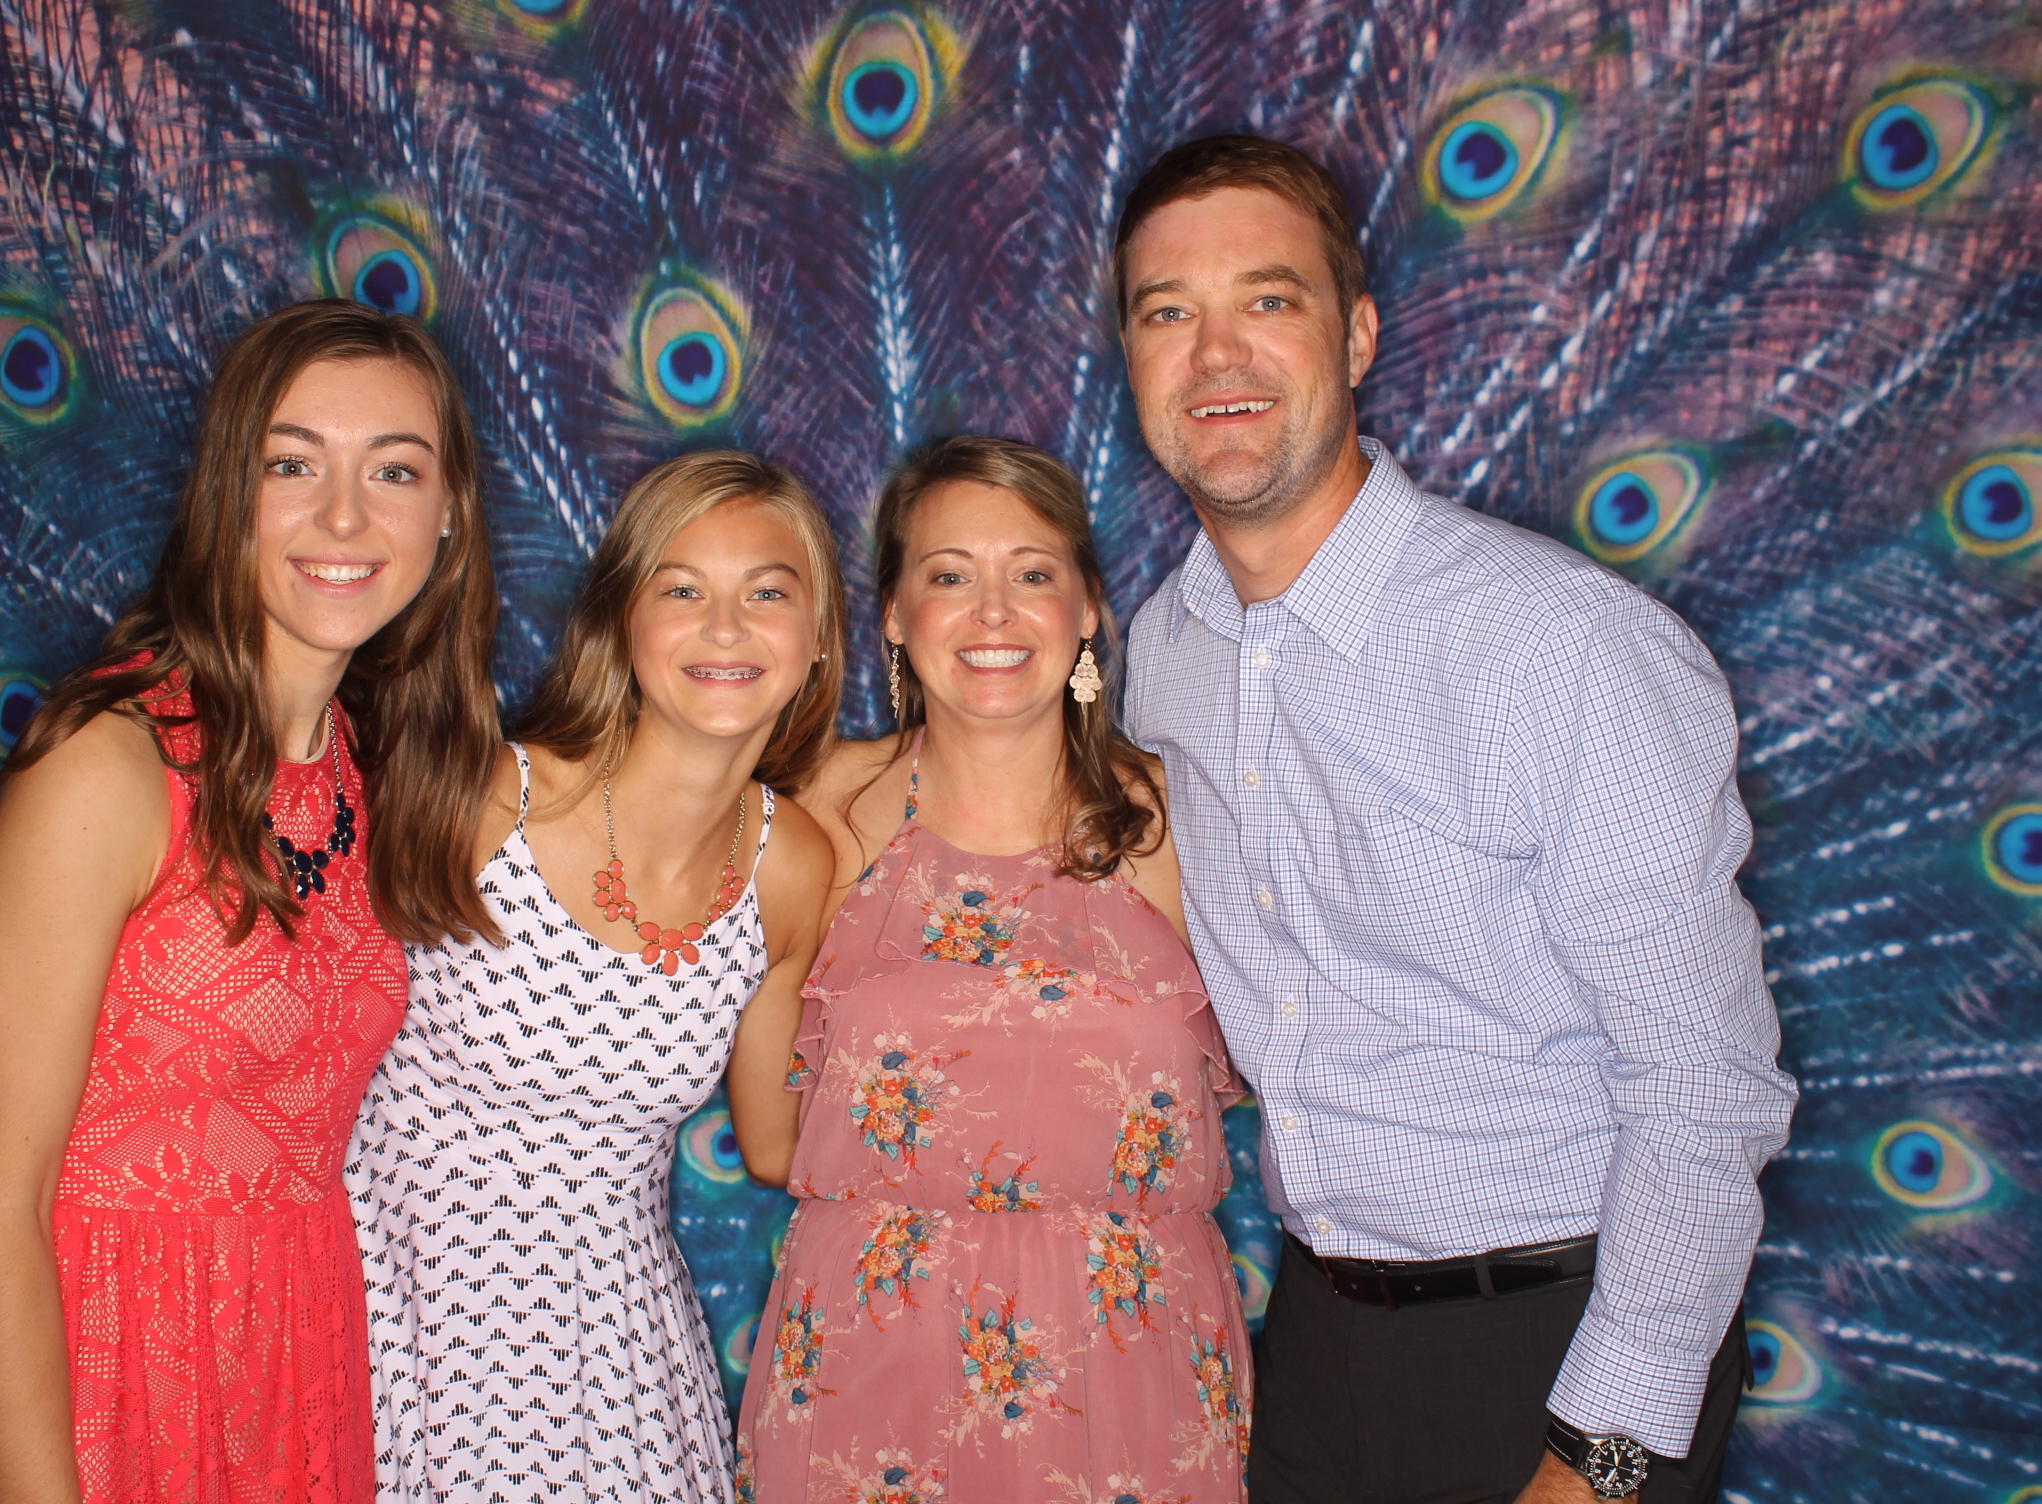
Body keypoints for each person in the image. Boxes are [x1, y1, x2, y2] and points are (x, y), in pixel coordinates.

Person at [1113, 134, 1799, 1504]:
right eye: (1166, 313)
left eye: (1269, 299)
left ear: (1357, 335)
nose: (1216, 353)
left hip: (1561, 1345)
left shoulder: (1562, 648)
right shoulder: (1161, 654)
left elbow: (1701, 1092)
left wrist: (1603, 1455)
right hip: (1313, 1342)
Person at [0, 299, 503, 1503]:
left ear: (448, 516)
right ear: (224, 495)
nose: (344, 516)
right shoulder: (111, 761)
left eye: (393, 470)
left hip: (276, 1389)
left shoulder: (372, 767)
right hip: (66, 1407)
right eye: (290, 464)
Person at [733, 436, 1251, 1502]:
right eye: (950, 576)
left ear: (1088, 606)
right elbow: (773, 1139)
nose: (995, 612)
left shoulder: (1182, 818)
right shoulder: (813, 819)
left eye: (1032, 573)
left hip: (1136, 1374)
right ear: (892, 612)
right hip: (868, 1377)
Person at [345, 450, 842, 1503]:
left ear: (819, 639)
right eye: (682, 588)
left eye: (767, 591)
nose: (724, 626)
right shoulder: (485, 797)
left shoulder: (791, 865)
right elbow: (274, 984)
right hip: (393, 1318)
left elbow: (776, 1140)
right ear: (623, 620)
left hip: (609, 1366)